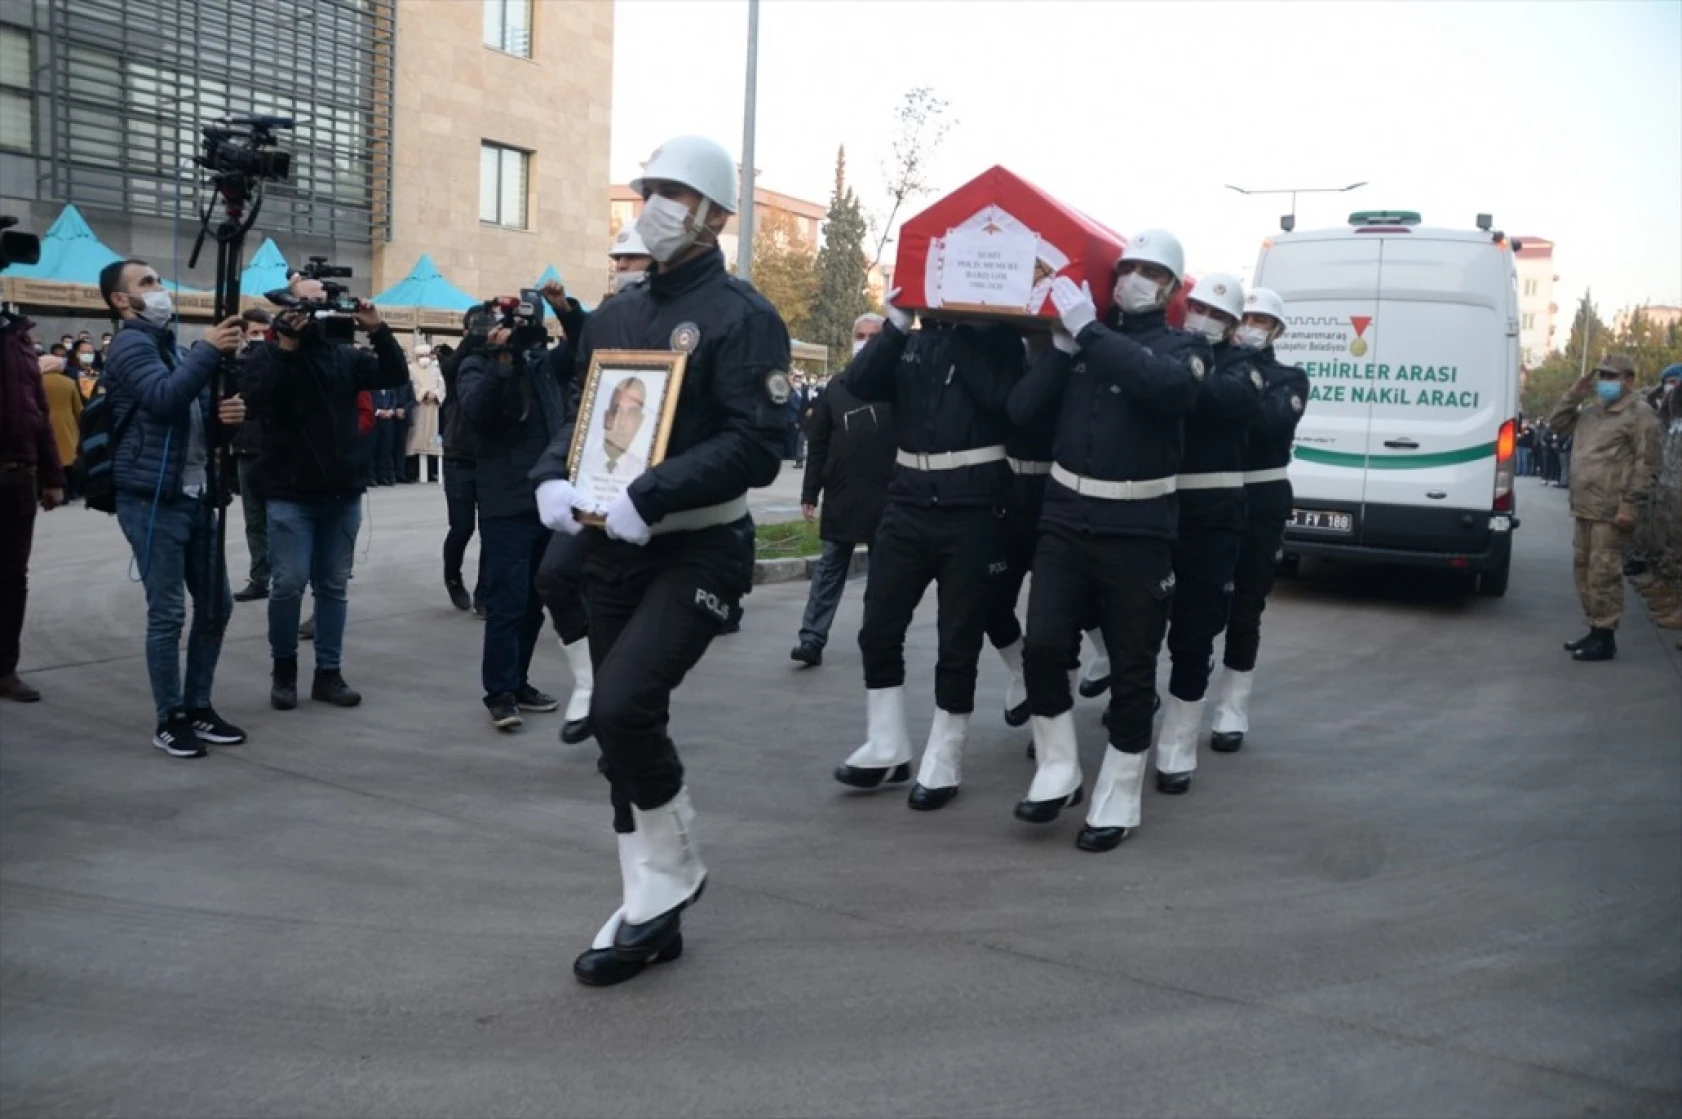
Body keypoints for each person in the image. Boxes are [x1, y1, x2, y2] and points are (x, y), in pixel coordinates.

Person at [531, 134, 788, 987]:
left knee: (626, 702)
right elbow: (578, 416)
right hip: (612, 549)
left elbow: (761, 442)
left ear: (717, 213)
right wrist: (552, 481)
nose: (658, 204)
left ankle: (672, 878)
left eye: (677, 191)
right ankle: (649, 906)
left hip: (701, 544)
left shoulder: (744, 316)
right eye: (652, 188)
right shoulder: (614, 314)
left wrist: (656, 490)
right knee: (618, 728)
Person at [1012, 230, 1210, 851]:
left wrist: (1092, 336)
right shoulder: (1084, 343)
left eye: (1151, 271)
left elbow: (1169, 389)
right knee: (1042, 645)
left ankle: (1120, 790)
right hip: (1066, 517)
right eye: (1128, 267)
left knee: (1131, 667)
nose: (1134, 279)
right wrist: (1063, 349)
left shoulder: (1185, 349)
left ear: (1173, 288)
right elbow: (1021, 413)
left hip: (1139, 527)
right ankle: (1058, 765)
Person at [830, 299, 1023, 811]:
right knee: (878, 626)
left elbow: (1003, 400)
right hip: (908, 500)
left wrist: (960, 328)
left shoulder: (1001, 341)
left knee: (958, 637)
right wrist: (896, 324)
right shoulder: (908, 343)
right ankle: (887, 743)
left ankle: (946, 753)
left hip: (974, 505)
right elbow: (860, 384)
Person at [96, 259, 247, 754]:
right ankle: (170, 716)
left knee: (216, 605)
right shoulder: (130, 345)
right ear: (121, 301)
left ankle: (198, 705)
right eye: (147, 283)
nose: (161, 289)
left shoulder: (174, 349)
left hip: (197, 493)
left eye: (159, 280)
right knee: (167, 613)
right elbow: (163, 399)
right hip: (152, 499)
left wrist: (227, 418)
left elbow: (195, 417)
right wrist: (206, 353)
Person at [244, 273, 409, 709]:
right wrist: (288, 349)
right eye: (310, 304)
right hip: (289, 492)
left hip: (342, 492)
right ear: (288, 308)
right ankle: (284, 670)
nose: (319, 313)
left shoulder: (345, 355)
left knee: (333, 587)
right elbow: (261, 400)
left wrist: (377, 328)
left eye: (325, 303)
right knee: (288, 585)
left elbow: (393, 373)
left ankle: (329, 674)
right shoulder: (269, 353)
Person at [1149, 273, 1262, 793]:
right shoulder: (1167, 350)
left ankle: (1176, 744)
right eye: (1197, 307)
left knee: (1194, 634)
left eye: (1218, 314)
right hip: (1157, 508)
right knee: (1138, 623)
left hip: (1213, 516)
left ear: (1235, 326)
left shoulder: (1248, 370)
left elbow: (1212, 397)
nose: (1205, 318)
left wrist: (1185, 357)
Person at [457, 293, 577, 732]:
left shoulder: (543, 364)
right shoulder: (475, 365)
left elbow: (579, 349)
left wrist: (566, 309)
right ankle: (500, 692)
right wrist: (501, 361)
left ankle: (520, 681)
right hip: (505, 501)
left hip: (546, 500)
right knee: (507, 602)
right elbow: (479, 412)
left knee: (533, 604)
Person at [1209, 288, 1311, 754]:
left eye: (1261, 320)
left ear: (1277, 330)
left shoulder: (1289, 378)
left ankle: (1233, 705)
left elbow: (1271, 424)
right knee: (1195, 604)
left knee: (1246, 606)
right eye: (1245, 317)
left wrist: (1232, 391)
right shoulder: (1213, 363)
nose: (1250, 325)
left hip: (1262, 495)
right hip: (1212, 494)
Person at [791, 313, 896, 667]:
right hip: (842, 492)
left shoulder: (898, 384)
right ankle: (811, 638)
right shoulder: (837, 386)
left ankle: (876, 639)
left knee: (882, 578)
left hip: (888, 495)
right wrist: (810, 492)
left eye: (873, 336)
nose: (865, 341)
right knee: (830, 568)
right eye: (860, 335)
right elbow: (818, 443)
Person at [1548, 353, 1663, 662]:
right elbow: (1557, 424)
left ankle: (1605, 634)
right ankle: (1594, 627)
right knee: (1583, 570)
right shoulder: (1591, 413)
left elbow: (1647, 465)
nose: (1604, 383)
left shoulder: (1641, 416)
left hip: (1612, 509)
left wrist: (1630, 504)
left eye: (1611, 377)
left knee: (1604, 572)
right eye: (1601, 376)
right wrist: (1575, 392)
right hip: (1585, 505)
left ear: (1629, 380)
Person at [0, 319, 67, 703]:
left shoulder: (19, 340)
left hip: (18, 476)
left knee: (12, 578)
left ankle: (5, 669)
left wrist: (53, 476)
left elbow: (39, 415)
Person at [438, 332, 485, 615]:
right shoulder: (457, 369)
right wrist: (472, 338)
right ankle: (453, 577)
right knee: (462, 527)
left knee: (492, 530)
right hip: (459, 457)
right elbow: (450, 367)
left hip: (490, 458)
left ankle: (485, 592)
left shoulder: (496, 364)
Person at [232, 309, 274, 602]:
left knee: (284, 517)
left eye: (264, 332)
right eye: (255, 332)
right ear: (244, 333)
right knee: (255, 518)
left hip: (278, 449)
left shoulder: (281, 363)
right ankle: (260, 577)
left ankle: (287, 574)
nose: (260, 338)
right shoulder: (236, 365)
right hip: (247, 448)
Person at [575, 375, 650, 506]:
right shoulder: (580, 466)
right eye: (616, 411)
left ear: (639, 422)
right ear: (606, 417)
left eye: (631, 414)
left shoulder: (643, 472)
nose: (622, 423)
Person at [39, 353, 83, 503]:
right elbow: (77, 407)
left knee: (47, 457)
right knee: (68, 458)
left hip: (42, 422)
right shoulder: (69, 382)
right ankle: (69, 492)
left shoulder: (37, 382)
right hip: (66, 423)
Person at [407, 343, 443, 479]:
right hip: (418, 407)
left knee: (431, 438)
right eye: (421, 356)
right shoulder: (410, 369)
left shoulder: (435, 370)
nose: (424, 358)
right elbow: (412, 385)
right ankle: (412, 471)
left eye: (426, 355)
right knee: (415, 437)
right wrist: (424, 393)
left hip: (432, 407)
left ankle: (431, 471)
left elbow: (441, 385)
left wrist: (435, 394)